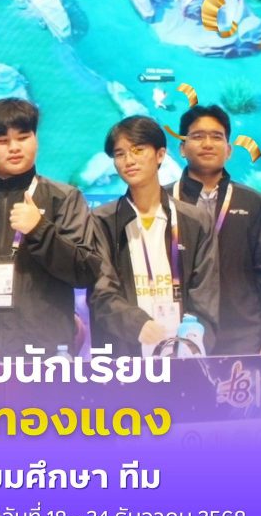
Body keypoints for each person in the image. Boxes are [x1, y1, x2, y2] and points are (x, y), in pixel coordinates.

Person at [0, 99, 102, 355]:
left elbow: (84, 271)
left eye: (23, 137)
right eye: (2, 141)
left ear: (36, 139)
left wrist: (39, 229)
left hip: (45, 348)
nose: (14, 147)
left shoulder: (63, 197)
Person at [168, 104, 261, 355]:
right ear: (182, 148)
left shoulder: (254, 203)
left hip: (244, 342)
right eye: (197, 136)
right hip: (174, 340)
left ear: (228, 150)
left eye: (217, 137)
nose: (207, 144)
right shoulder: (161, 202)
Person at [89, 116, 219, 357]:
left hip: (185, 353)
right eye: (120, 154)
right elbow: (101, 293)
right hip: (124, 356)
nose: (129, 160)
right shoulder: (100, 221)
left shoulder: (195, 220)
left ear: (160, 155)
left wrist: (193, 341)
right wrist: (137, 324)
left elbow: (206, 295)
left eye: (138, 150)